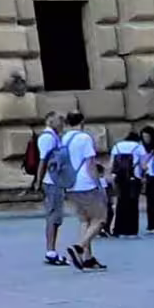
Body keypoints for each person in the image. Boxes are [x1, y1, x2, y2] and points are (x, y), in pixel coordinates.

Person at [59, 110, 106, 271]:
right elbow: (90, 164)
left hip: (69, 184)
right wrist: (98, 184)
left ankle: (88, 257)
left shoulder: (63, 138)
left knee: (85, 220)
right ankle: (79, 246)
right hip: (85, 183)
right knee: (100, 219)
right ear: (82, 122)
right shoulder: (84, 138)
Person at [35, 112, 68, 266]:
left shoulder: (54, 137)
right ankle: (50, 250)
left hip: (56, 181)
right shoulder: (48, 138)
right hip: (51, 181)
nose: (62, 122)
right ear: (49, 121)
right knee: (53, 215)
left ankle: (52, 249)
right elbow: (43, 160)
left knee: (56, 216)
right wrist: (38, 180)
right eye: (59, 119)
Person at [105, 127, 144, 238]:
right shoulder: (138, 147)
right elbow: (143, 164)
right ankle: (131, 230)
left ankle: (119, 229)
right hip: (134, 177)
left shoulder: (117, 146)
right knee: (132, 203)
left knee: (121, 203)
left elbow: (111, 164)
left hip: (119, 178)